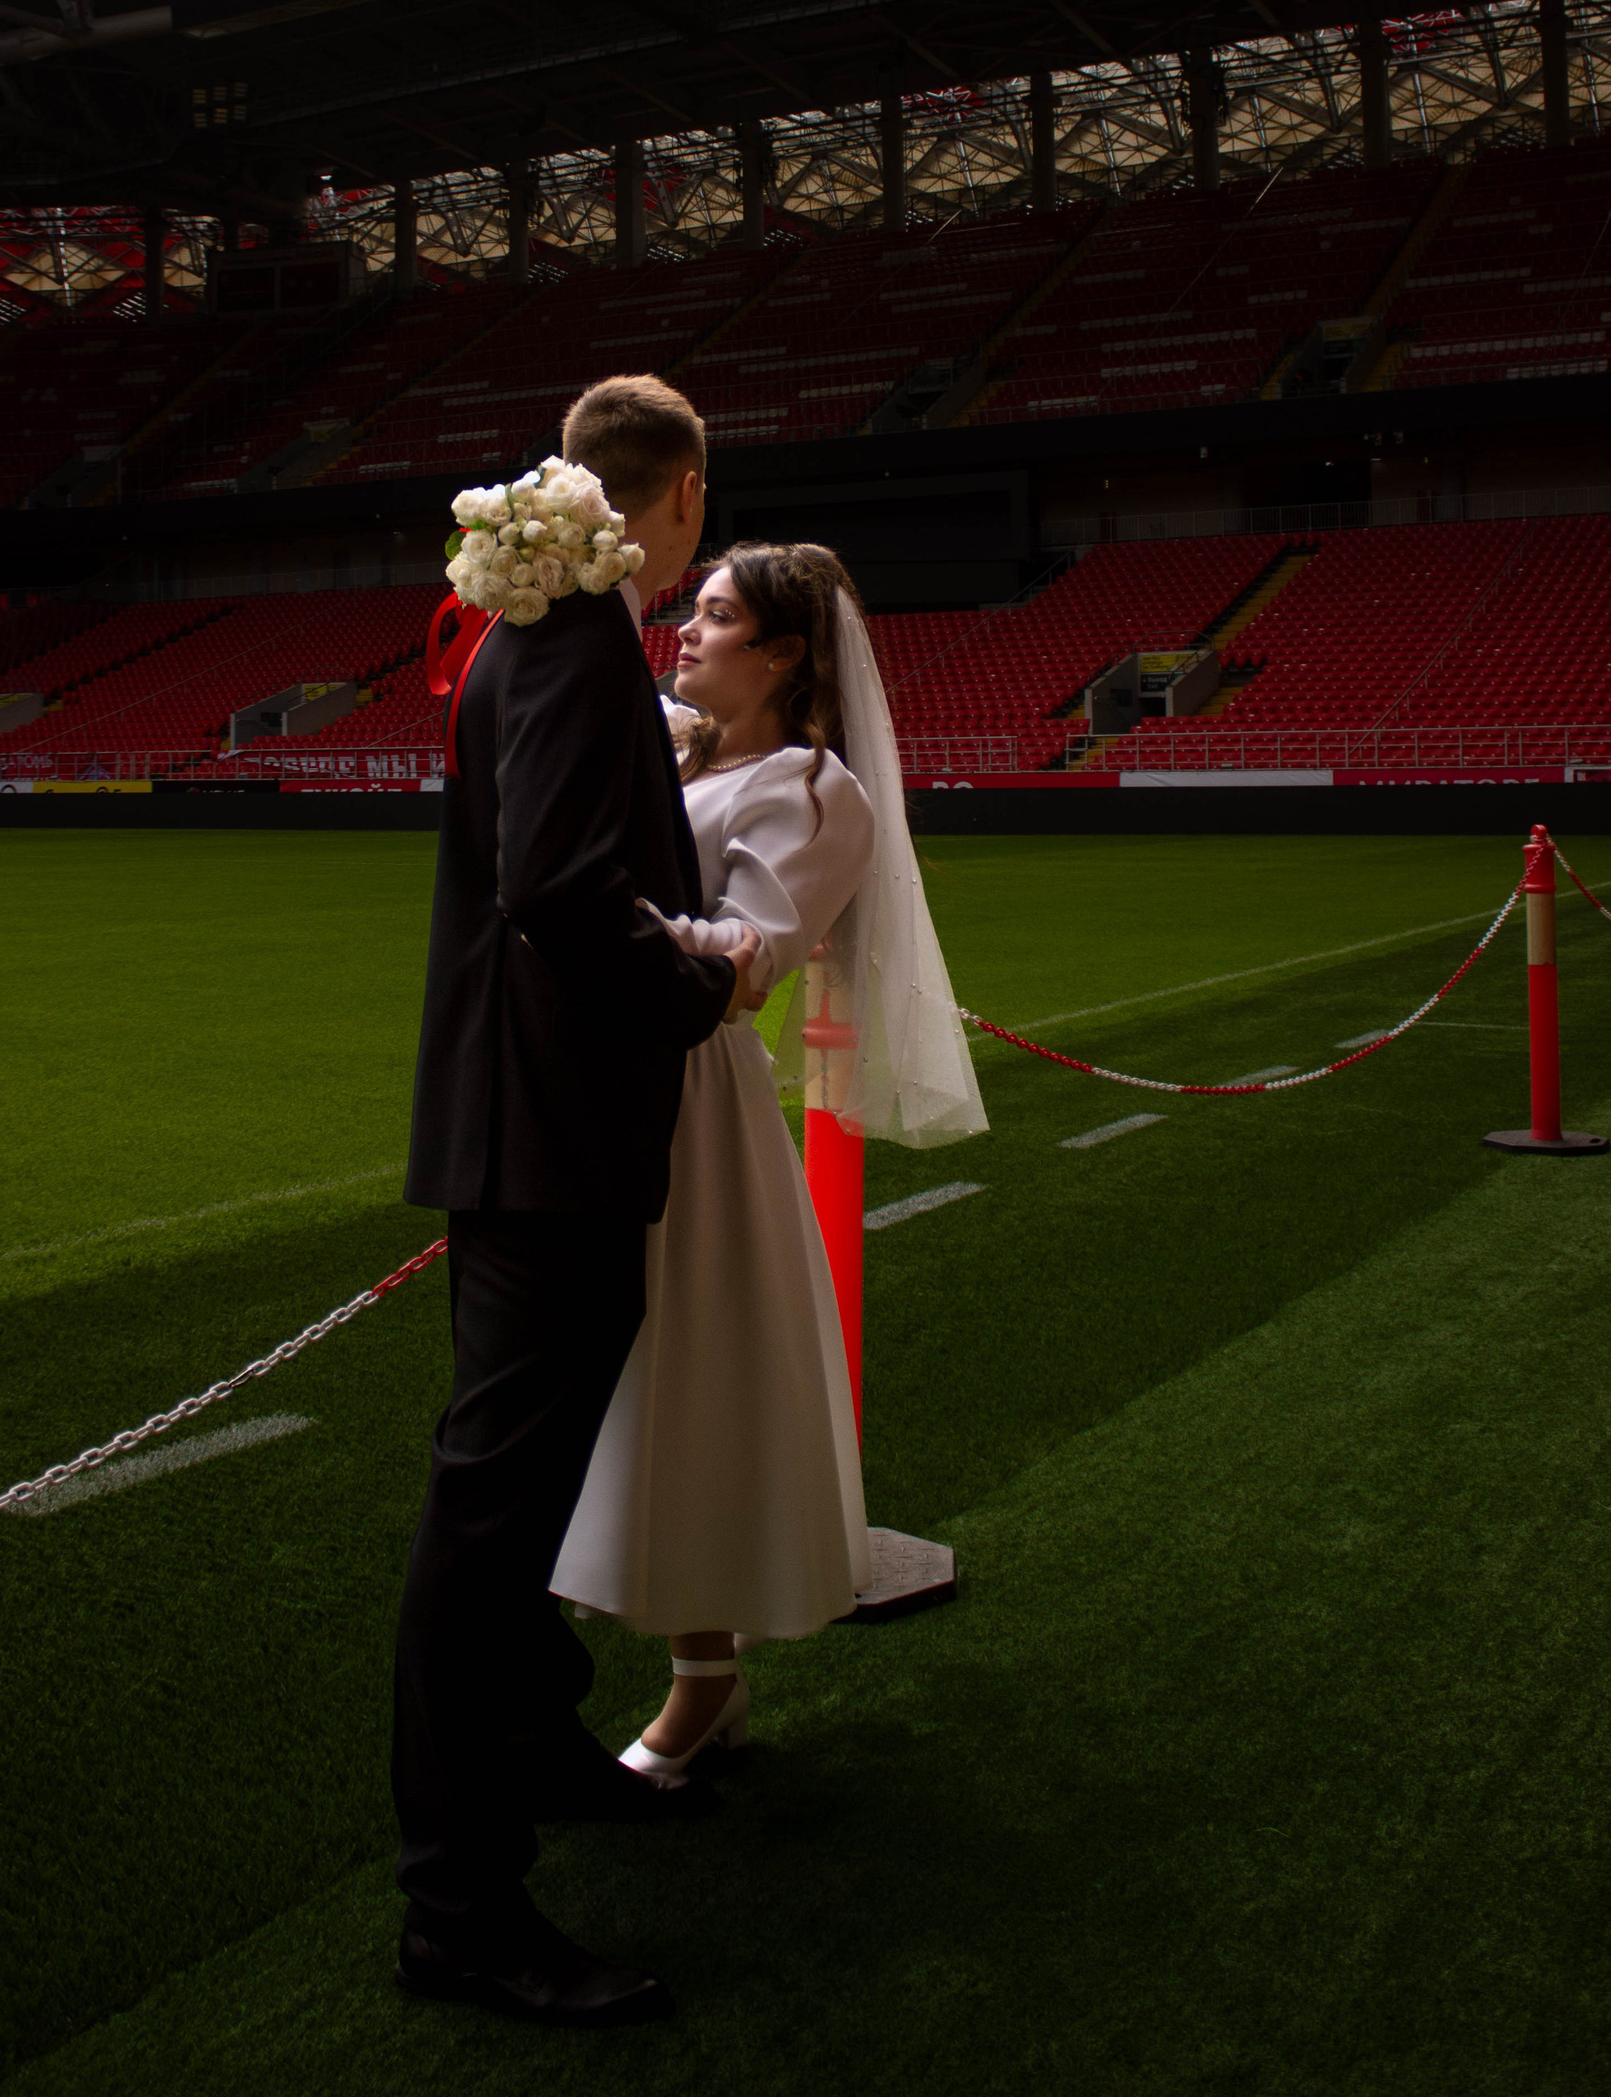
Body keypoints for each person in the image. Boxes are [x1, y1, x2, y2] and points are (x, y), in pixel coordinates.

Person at [392, 373, 762, 2032]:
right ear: (680, 495)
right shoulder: (569, 638)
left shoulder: (550, 624)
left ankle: (539, 1753)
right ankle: (457, 1910)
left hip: (543, 1128)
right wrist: (696, 983)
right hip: (541, 1135)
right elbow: (550, 882)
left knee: (516, 1500)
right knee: (488, 1523)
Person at [554, 542, 988, 1771]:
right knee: (591, 1381)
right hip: (595, 1087)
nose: (684, 633)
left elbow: (750, 961)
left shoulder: (813, 790)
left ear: (785, 652)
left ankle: (703, 1684)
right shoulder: (670, 749)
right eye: (688, 611)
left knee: (689, 1382)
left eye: (715, 616)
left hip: (693, 1105)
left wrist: (592, 917)